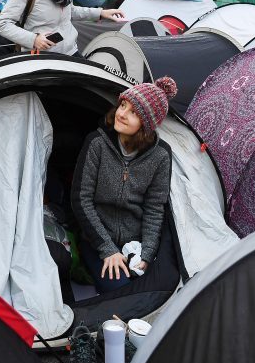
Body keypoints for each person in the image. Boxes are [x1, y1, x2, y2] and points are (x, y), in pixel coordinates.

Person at [71, 77, 176, 293]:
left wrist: (147, 253)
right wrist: (107, 249)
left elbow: (155, 208)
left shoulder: (160, 156)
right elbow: (81, 199)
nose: (121, 114)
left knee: (152, 288)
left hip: (135, 243)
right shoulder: (97, 143)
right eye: (122, 105)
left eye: (133, 112)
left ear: (147, 124)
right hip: (97, 239)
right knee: (120, 289)